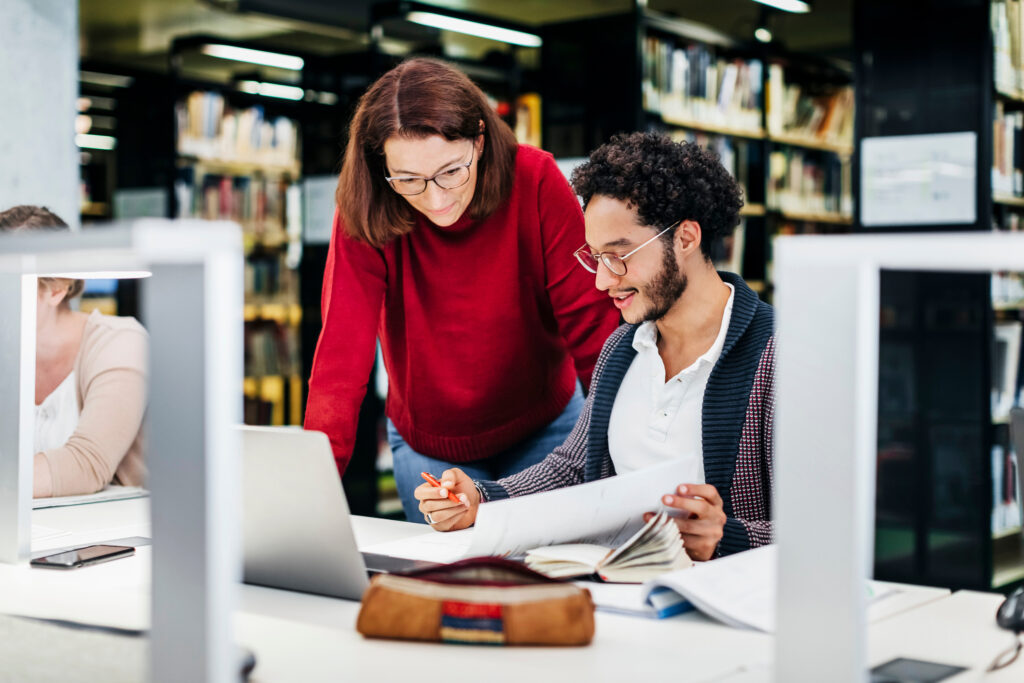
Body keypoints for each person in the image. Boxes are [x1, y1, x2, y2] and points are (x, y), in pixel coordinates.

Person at [414, 132, 776, 560]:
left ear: (686, 238)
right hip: (620, 591)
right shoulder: (623, 348)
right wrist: (481, 499)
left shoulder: (777, 358)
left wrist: (725, 537)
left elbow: (825, 528)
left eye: (619, 255)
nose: (603, 281)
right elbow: (571, 467)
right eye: (595, 257)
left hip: (727, 606)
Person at [304, 58, 620, 522]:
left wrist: (623, 456)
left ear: (479, 139)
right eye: (409, 180)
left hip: (547, 426)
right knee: (453, 582)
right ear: (380, 167)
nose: (436, 199)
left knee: (542, 576)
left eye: (451, 171)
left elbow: (594, 327)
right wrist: (308, 496)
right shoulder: (366, 206)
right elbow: (340, 361)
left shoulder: (533, 179)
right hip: (430, 442)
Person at [0, 205, 148, 498]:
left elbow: (87, 464)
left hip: (114, 534)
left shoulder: (120, 342)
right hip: (32, 533)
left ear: (56, 289)